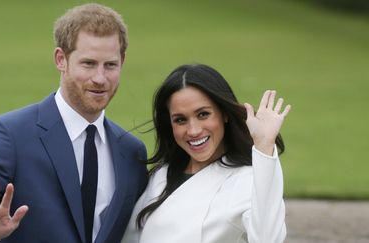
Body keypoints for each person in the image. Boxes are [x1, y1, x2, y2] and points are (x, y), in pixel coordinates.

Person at [0, 3, 148, 243]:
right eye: (89, 63)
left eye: (110, 65)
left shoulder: (132, 151)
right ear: (61, 59)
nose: (100, 78)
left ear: (122, 61)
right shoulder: (9, 135)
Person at [122, 64, 291, 243]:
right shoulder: (160, 175)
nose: (193, 130)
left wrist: (264, 147)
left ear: (224, 113)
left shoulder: (247, 180)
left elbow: (268, 238)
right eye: (180, 120)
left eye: (203, 114)